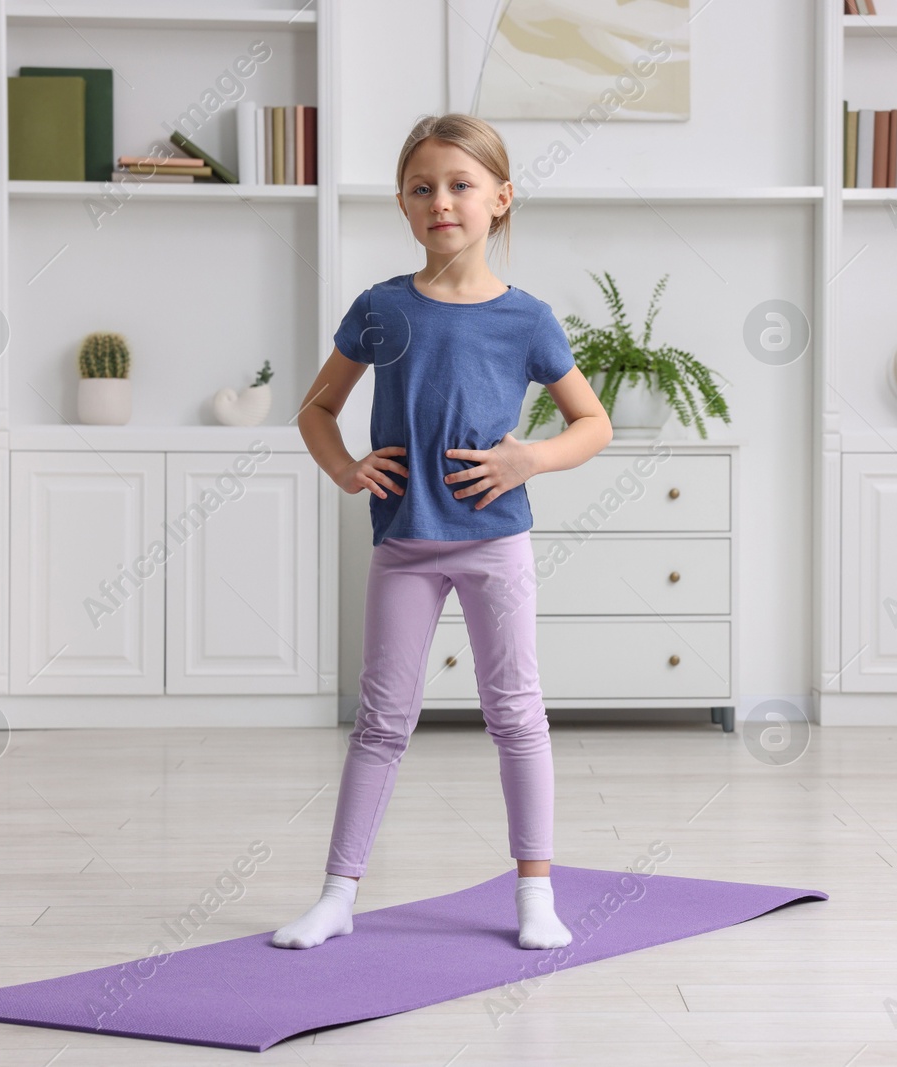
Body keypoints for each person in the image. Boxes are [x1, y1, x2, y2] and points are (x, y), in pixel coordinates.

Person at [273, 113, 613, 951]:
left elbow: (593, 423)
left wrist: (528, 459)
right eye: (423, 187)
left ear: (500, 199)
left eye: (461, 185)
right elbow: (316, 408)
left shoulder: (526, 319)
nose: (441, 201)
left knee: (516, 713)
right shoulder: (380, 309)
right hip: (405, 542)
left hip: (494, 540)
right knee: (383, 722)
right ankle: (338, 894)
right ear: (402, 202)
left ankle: (535, 894)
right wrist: (347, 468)